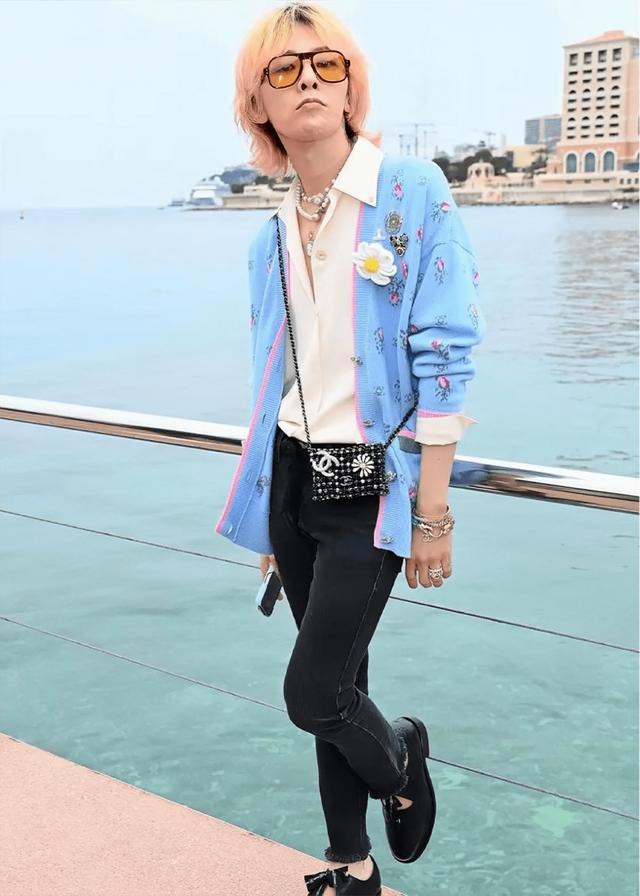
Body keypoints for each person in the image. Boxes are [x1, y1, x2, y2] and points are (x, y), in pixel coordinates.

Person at [219, 3, 487, 892]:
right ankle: (351, 865)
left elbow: (446, 353)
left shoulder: (410, 191)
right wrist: (266, 512)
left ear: (349, 87)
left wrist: (434, 511)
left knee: (315, 693)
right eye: (283, 70)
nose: (307, 80)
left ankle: (403, 758)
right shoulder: (268, 234)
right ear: (258, 103)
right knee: (341, 678)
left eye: (324, 64)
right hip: (297, 476)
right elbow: (273, 381)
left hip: (374, 480)